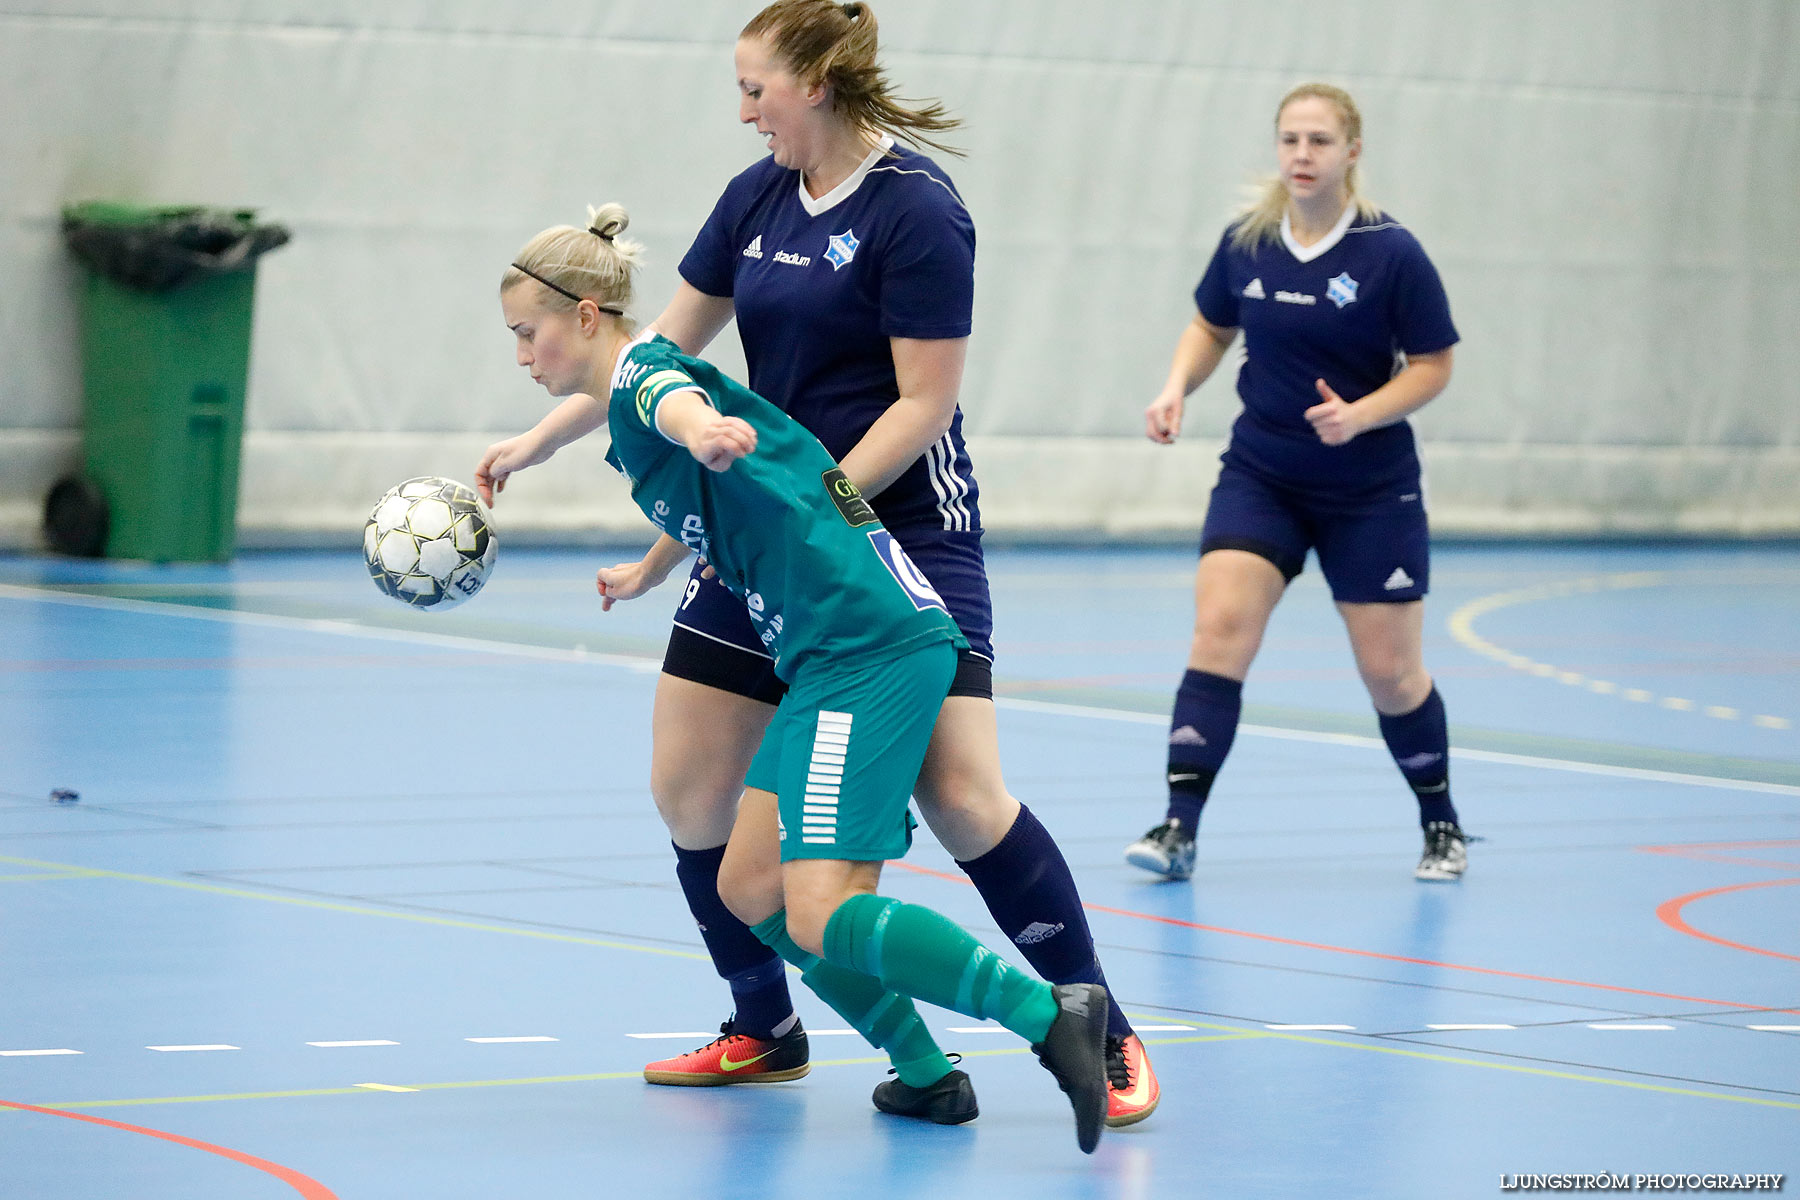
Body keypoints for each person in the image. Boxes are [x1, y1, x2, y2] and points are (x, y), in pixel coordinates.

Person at [476, 0, 1157, 1126]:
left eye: (756, 90)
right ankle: (769, 1025)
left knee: (963, 797)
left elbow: (924, 401)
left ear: (818, 85)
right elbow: (651, 361)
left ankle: (1094, 1019)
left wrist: (817, 501)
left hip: (885, 532)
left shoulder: (918, 212)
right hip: (768, 525)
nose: (744, 114)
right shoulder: (755, 199)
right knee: (696, 796)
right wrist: (570, 458)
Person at [1123, 82, 1469, 884]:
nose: (1302, 156)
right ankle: (1179, 826)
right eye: (1290, 140)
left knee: (1390, 671)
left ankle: (1441, 822)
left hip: (1370, 489)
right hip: (1263, 474)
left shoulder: (1391, 253)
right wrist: (1178, 384)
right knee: (1220, 630)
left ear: (1352, 151)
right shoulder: (1248, 242)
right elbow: (1211, 326)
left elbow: (1434, 365)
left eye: (1318, 141)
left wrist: (1363, 414)